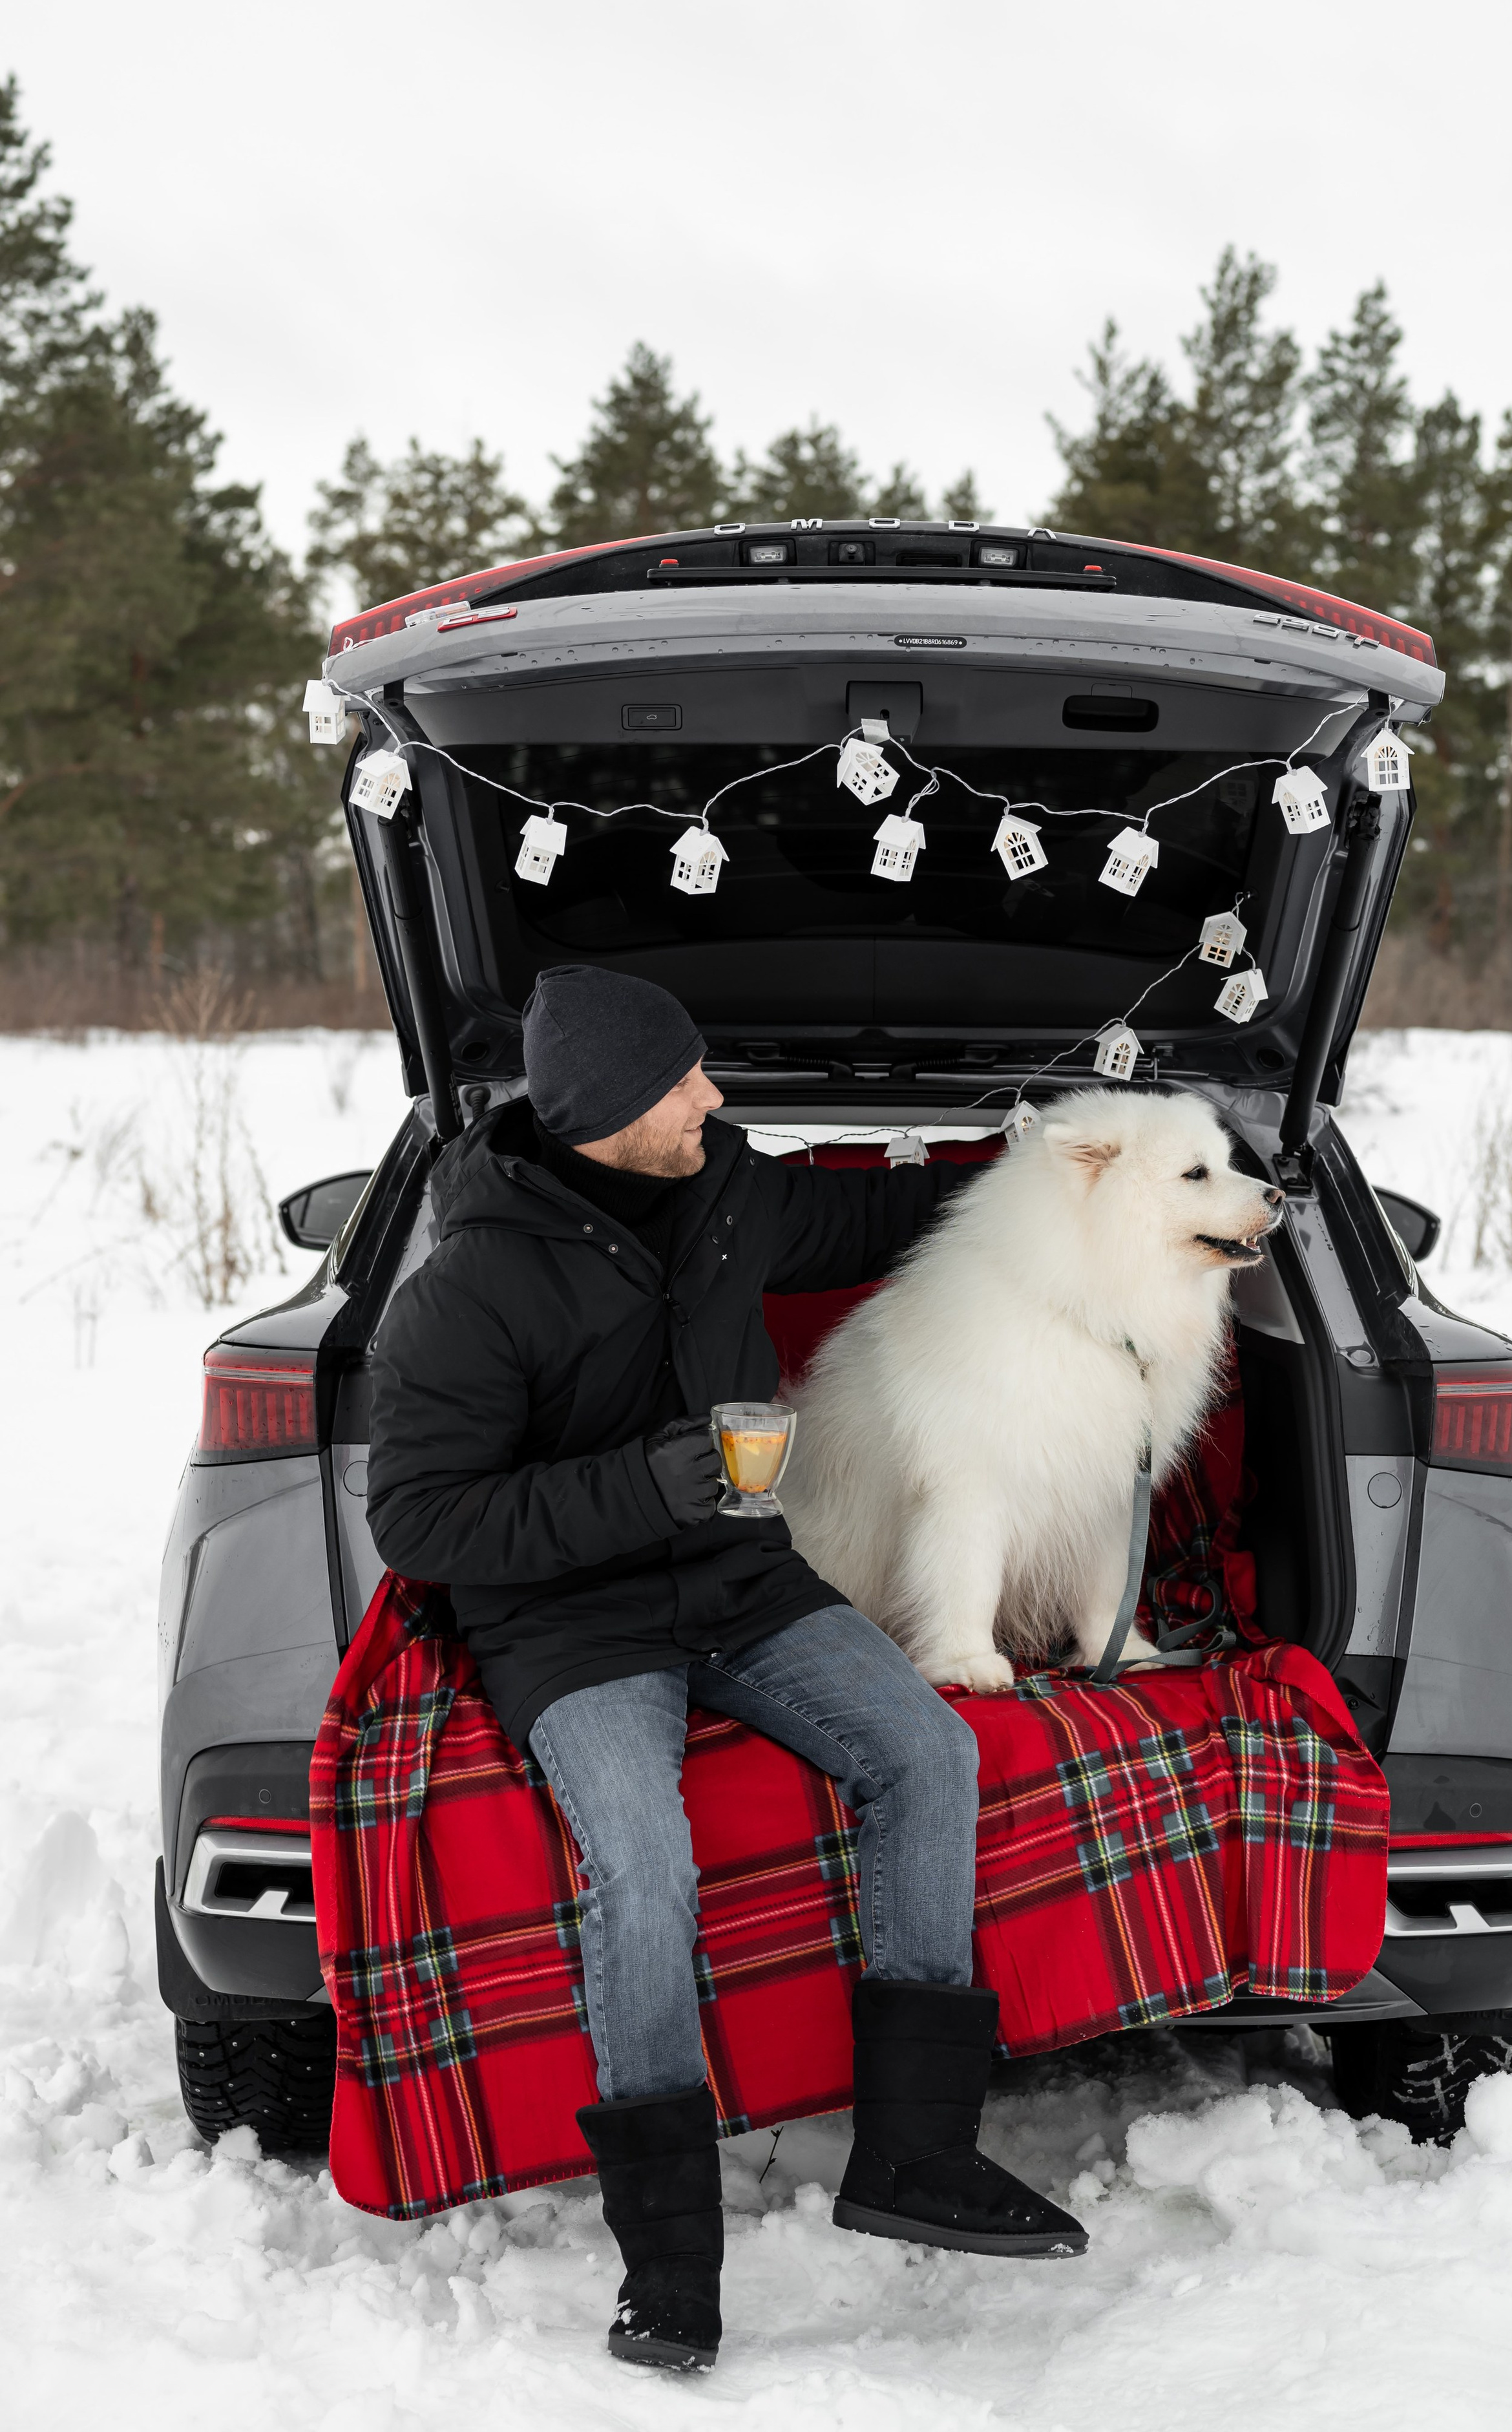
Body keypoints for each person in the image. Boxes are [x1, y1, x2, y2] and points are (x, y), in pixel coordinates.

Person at [366, 964, 1084, 2372]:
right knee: (643, 1871)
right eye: (682, 1080)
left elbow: (878, 1215)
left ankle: (916, 2157)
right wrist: (648, 1488)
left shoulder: (732, 1189)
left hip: (746, 1585)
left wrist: (1041, 1172)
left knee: (928, 1753)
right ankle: (670, 2267)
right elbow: (422, 1523)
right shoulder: (472, 1283)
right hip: (573, 1625)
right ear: (601, 1113)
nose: (712, 1096)